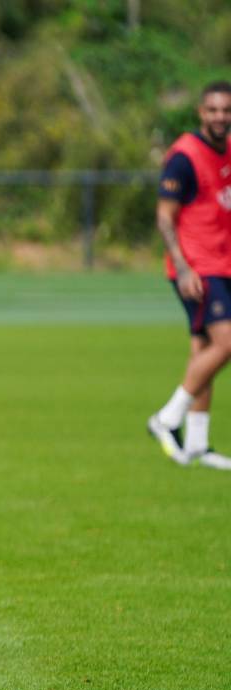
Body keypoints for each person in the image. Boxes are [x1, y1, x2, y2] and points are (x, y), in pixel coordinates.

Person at [148, 80, 231, 470]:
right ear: (201, 112)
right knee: (226, 342)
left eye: (226, 110)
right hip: (197, 268)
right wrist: (182, 268)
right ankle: (167, 418)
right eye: (212, 110)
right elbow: (165, 217)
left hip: (224, 263)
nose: (220, 117)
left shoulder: (228, 150)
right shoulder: (184, 157)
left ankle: (197, 444)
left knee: (204, 350)